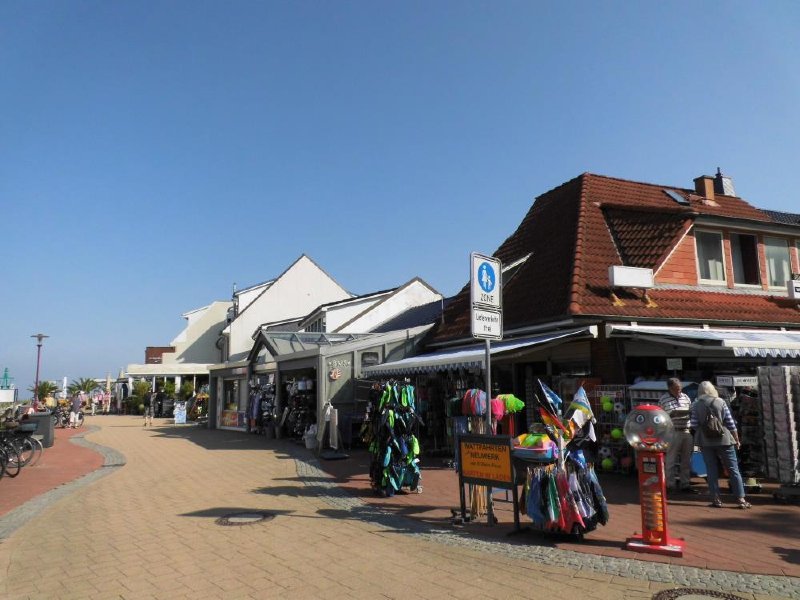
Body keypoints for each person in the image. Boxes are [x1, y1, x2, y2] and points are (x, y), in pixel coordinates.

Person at [690, 381, 751, 509]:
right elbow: (730, 422)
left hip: (705, 441)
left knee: (711, 470)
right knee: (733, 469)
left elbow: (694, 424)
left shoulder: (695, 405)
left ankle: (716, 499)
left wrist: (705, 429)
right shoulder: (720, 402)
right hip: (724, 440)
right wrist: (736, 438)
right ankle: (740, 499)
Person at [659, 378, 697, 494]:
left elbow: (691, 411)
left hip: (686, 430)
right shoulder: (663, 399)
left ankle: (685, 484)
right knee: (671, 459)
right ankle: (670, 485)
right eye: (676, 389)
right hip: (673, 432)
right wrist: (670, 416)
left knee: (686, 460)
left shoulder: (685, 397)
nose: (679, 391)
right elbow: (660, 417)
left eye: (680, 388)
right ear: (670, 388)